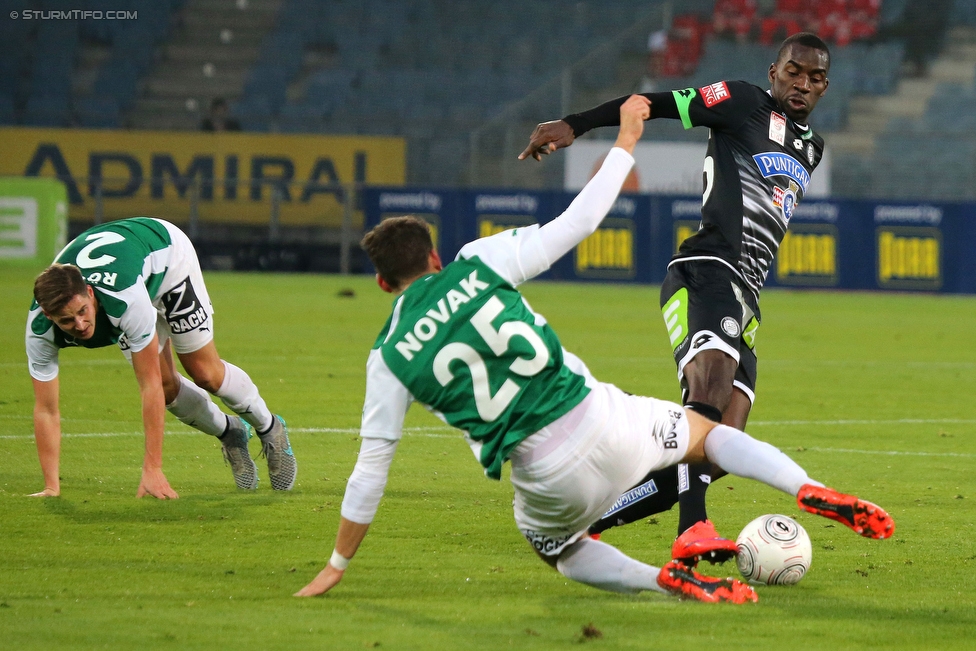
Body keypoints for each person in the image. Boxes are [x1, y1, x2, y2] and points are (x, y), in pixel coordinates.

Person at [296, 96, 893, 603]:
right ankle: (804, 486)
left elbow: (370, 470)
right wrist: (626, 138)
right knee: (706, 433)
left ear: (381, 284)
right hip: (604, 417)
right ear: (434, 257)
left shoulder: (390, 355)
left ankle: (667, 583)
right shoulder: (477, 264)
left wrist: (337, 565)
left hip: (543, 478)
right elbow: (579, 222)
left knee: (563, 553)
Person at [518, 33, 832, 565]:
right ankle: (693, 528)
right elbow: (652, 105)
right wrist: (576, 123)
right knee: (703, 407)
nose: (802, 84)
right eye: (793, 71)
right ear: (773, 70)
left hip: (745, 296)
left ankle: (586, 520)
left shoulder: (812, 147)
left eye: (815, 77)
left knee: (720, 448)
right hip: (707, 269)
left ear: (825, 86)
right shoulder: (742, 101)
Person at [26, 217, 297, 498]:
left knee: (205, 372)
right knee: (168, 389)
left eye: (82, 311)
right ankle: (230, 431)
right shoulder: (39, 331)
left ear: (90, 294)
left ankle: (270, 427)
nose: (80, 326)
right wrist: (51, 487)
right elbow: (46, 409)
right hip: (131, 266)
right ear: (47, 315)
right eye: (66, 320)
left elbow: (148, 384)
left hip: (168, 259)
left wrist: (152, 468)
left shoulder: (125, 302)